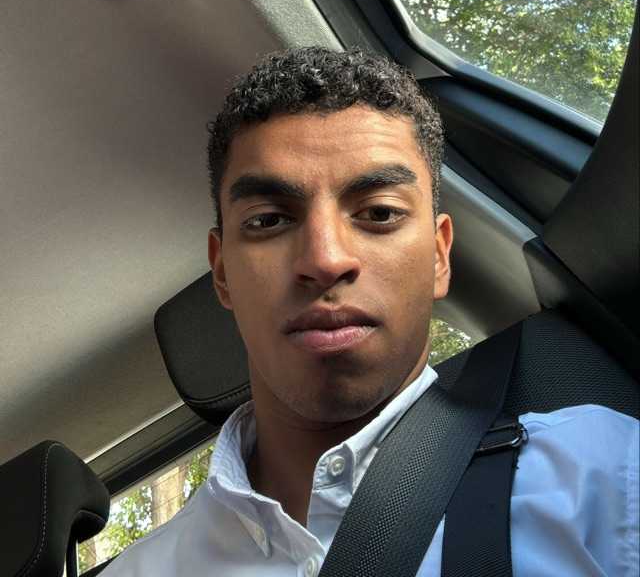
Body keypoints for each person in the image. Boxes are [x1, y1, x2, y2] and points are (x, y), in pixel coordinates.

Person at [103, 47, 638, 576]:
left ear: (438, 257)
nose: (325, 259)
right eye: (268, 220)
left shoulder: (604, 481)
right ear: (222, 273)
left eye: (380, 213)